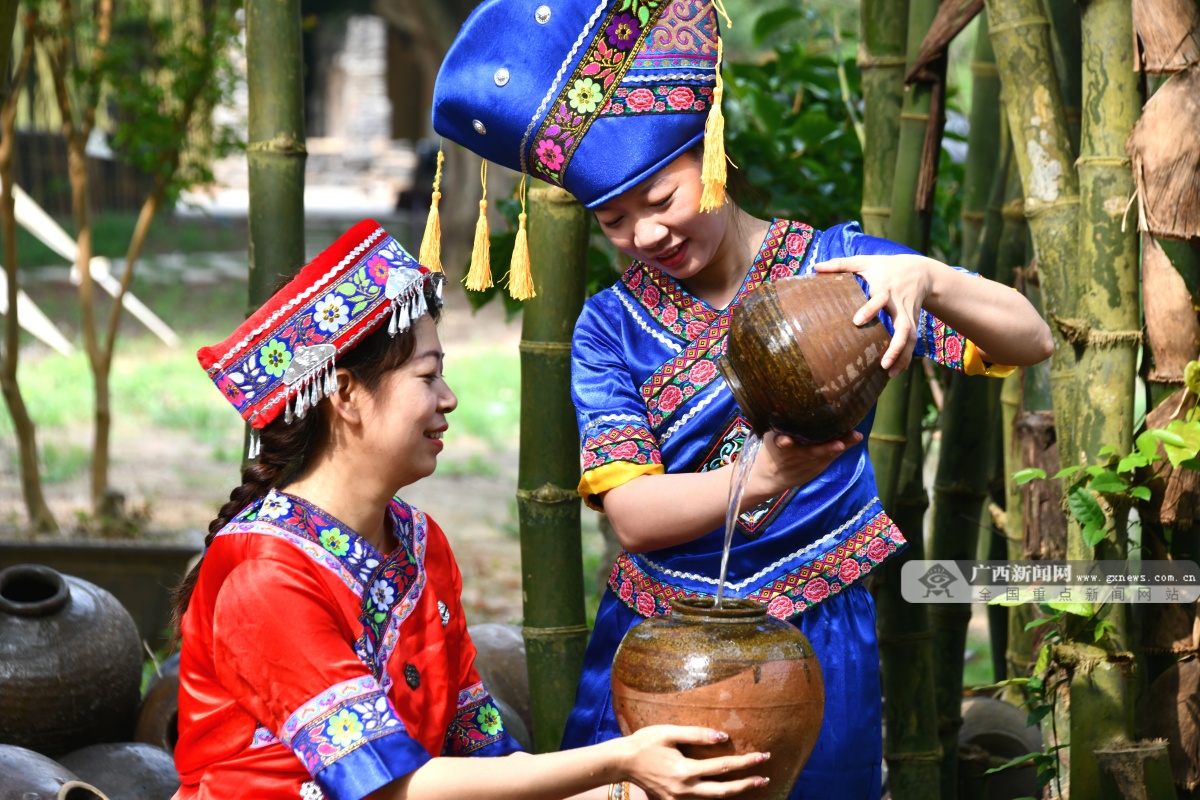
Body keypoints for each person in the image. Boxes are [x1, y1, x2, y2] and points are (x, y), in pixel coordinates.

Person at [430, 2, 1055, 798]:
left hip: (819, 632)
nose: (645, 235)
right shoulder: (610, 326)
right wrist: (760, 477)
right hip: (659, 644)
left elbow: (1028, 339)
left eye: (660, 198)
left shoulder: (839, 271)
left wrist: (929, 279)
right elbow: (633, 515)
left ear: (711, 151)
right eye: (613, 221)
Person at [171, 220, 770, 800]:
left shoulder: (417, 541)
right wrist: (617, 758)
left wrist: (623, 790)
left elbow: (479, 755)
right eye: (428, 375)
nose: (448, 398)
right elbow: (392, 788)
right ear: (346, 395)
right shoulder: (265, 574)